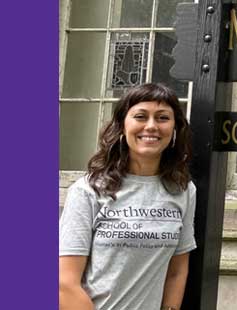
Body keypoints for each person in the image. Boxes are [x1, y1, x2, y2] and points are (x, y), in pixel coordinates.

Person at [59, 83, 196, 310]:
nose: (151, 126)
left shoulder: (182, 190)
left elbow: (177, 271)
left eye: (162, 118)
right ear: (122, 126)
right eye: (140, 116)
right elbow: (64, 283)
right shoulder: (88, 191)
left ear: (175, 129)